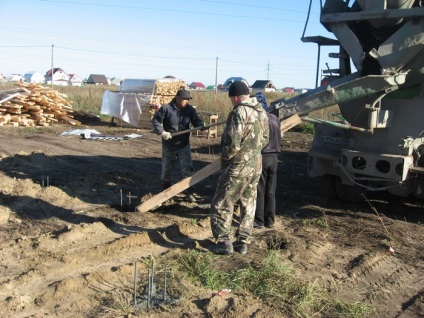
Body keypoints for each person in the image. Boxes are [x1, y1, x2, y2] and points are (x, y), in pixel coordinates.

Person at [210, 81, 269, 255]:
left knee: (221, 203)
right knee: (248, 203)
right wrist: (253, 151)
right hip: (255, 165)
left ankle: (223, 242)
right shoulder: (261, 111)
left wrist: (225, 158)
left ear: (235, 97)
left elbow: (232, 143)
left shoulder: (238, 112)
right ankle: (243, 242)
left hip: (237, 167)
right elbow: (265, 139)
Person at [152, 88, 205, 202]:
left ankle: (189, 192)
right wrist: (162, 132)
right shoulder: (166, 108)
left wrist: (201, 125)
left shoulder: (189, 109)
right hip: (169, 144)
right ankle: (165, 191)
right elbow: (156, 121)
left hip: (183, 144)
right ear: (177, 98)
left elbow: (196, 120)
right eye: (184, 99)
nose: (186, 101)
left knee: (187, 169)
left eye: (188, 99)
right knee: (167, 168)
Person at [254, 112, 281, 229]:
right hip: (274, 157)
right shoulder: (275, 118)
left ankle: (259, 221)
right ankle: (269, 220)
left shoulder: (259, 119)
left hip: (263, 156)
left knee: (260, 189)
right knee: (270, 190)